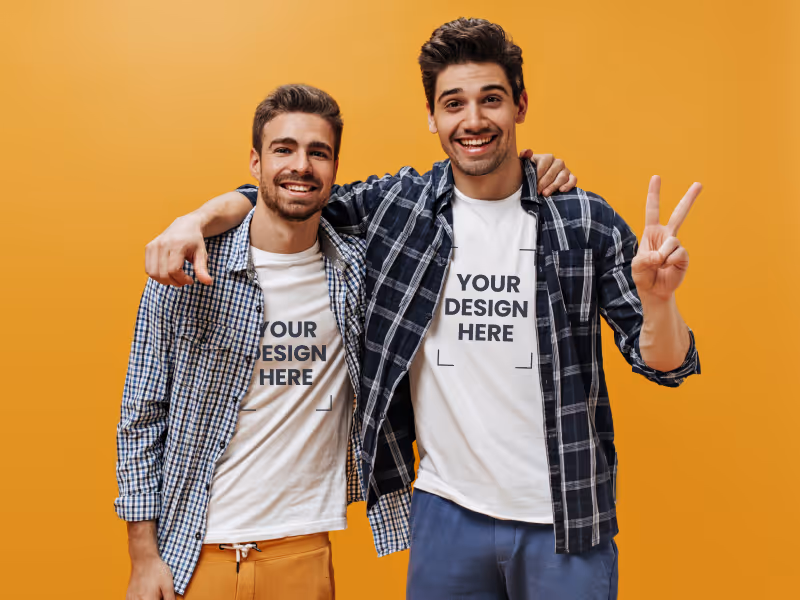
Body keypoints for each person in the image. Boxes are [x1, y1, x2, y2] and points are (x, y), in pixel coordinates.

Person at [146, 18, 701, 600]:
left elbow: (666, 362)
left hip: (565, 515)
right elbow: (292, 193)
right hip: (444, 512)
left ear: (520, 105)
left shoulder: (582, 219)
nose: (474, 120)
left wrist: (659, 302)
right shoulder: (400, 208)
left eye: (491, 99)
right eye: (453, 103)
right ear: (432, 118)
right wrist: (195, 220)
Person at [119, 82, 575, 600]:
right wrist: (143, 556)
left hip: (304, 549)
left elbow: (455, 201)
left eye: (319, 153)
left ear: (335, 169)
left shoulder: (359, 270)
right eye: (283, 149)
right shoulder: (190, 267)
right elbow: (141, 415)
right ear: (255, 161)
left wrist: (522, 175)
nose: (301, 166)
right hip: (193, 553)